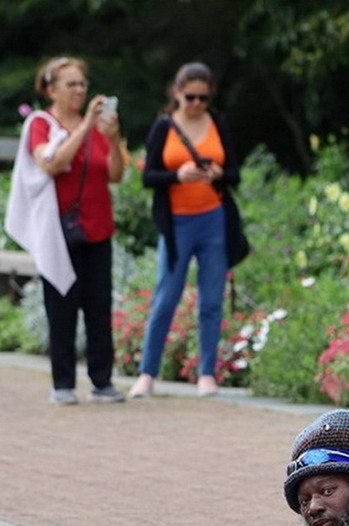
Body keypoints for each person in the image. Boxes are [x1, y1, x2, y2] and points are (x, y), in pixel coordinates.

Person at [4, 56, 126, 405]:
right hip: (59, 231)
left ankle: (102, 381)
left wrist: (113, 139)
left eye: (82, 84)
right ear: (51, 89)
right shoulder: (42, 124)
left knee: (99, 308)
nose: (79, 90)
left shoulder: (99, 129)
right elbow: (52, 164)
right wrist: (85, 127)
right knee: (61, 306)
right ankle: (63, 384)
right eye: (71, 84)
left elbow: (115, 174)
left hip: (98, 227)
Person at [128, 62, 241, 399]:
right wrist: (178, 175)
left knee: (211, 300)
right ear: (177, 93)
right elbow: (148, 176)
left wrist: (217, 173)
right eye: (190, 97)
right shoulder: (164, 126)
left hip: (213, 220)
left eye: (203, 98)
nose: (196, 104)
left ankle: (207, 374)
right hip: (177, 223)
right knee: (166, 298)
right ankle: (146, 374)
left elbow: (235, 173)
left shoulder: (217, 123)